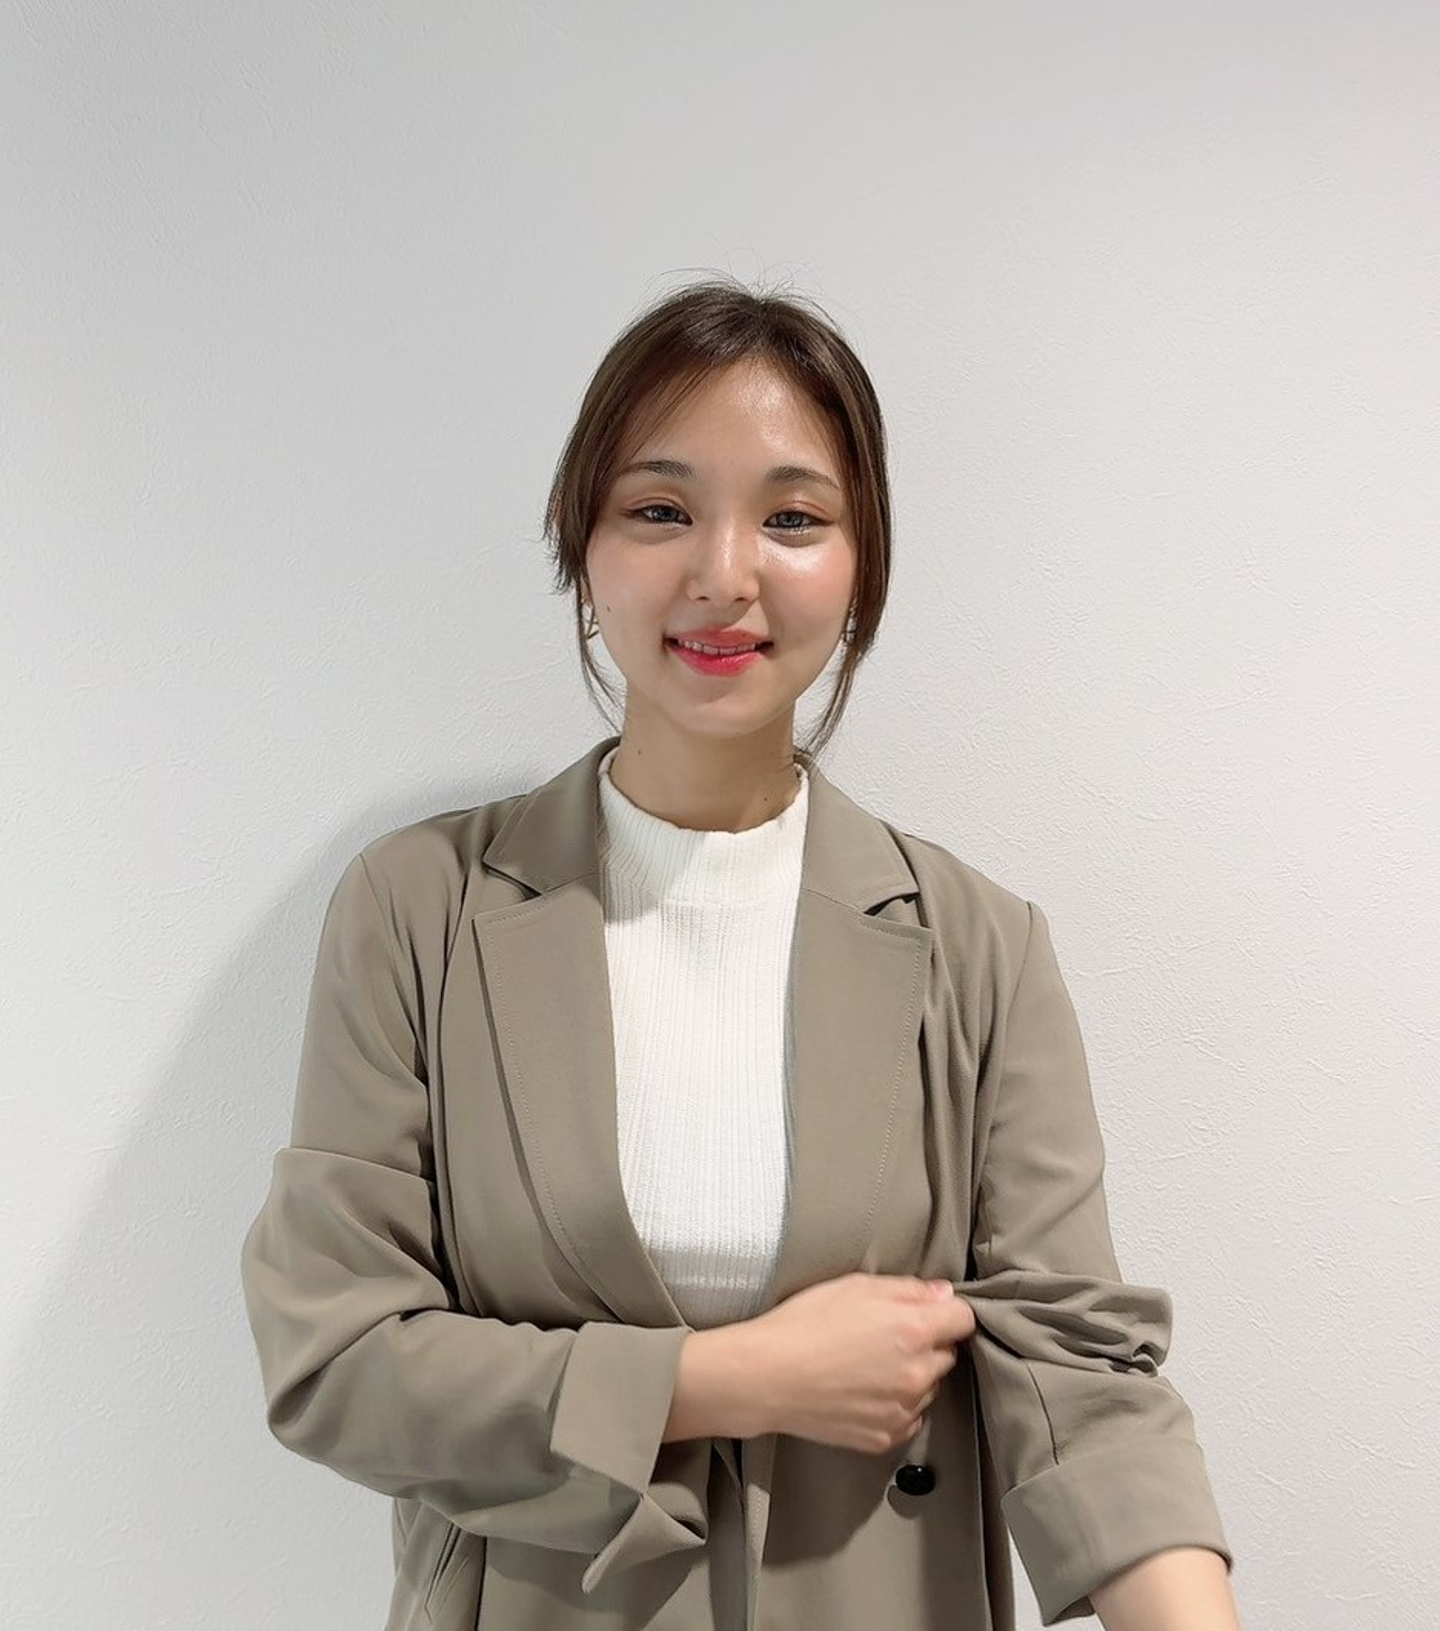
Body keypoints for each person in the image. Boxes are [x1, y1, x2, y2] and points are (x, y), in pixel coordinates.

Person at [239, 277, 1240, 1630]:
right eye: (660, 510)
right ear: (581, 548)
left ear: (862, 564)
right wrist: (726, 1379)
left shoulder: (976, 945)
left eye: (793, 518)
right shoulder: (421, 909)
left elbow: (1079, 1380)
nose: (724, 572)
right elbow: (336, 1357)